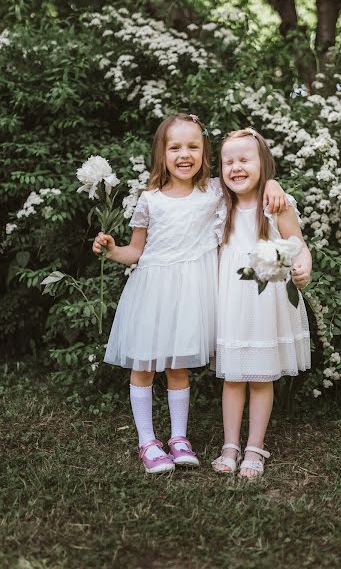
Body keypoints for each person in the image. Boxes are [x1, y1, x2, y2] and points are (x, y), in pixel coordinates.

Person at [92, 114, 287, 474]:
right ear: (161, 153)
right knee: (144, 367)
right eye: (175, 147)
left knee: (177, 367)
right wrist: (111, 249)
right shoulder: (149, 199)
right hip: (152, 290)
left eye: (193, 147)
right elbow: (135, 251)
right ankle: (147, 441)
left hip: (191, 293)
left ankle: (179, 439)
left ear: (204, 152)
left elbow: (249, 180)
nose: (185, 154)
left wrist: (273, 182)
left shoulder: (213, 190)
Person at [212, 128, 312, 479]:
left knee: (259, 376)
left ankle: (254, 446)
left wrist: (302, 268)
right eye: (228, 161)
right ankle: (229, 444)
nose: (236, 167)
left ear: (262, 164)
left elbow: (297, 243)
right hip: (231, 302)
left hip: (265, 302)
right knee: (233, 376)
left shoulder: (276, 204)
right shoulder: (219, 206)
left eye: (245, 160)